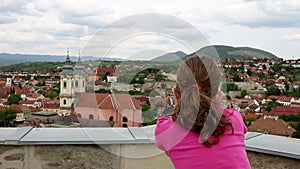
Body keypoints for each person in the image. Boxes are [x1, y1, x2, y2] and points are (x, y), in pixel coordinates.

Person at [155, 55, 251, 169]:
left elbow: (166, 146)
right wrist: (218, 105)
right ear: (217, 95)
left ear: (176, 94)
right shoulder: (234, 118)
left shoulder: (166, 131)